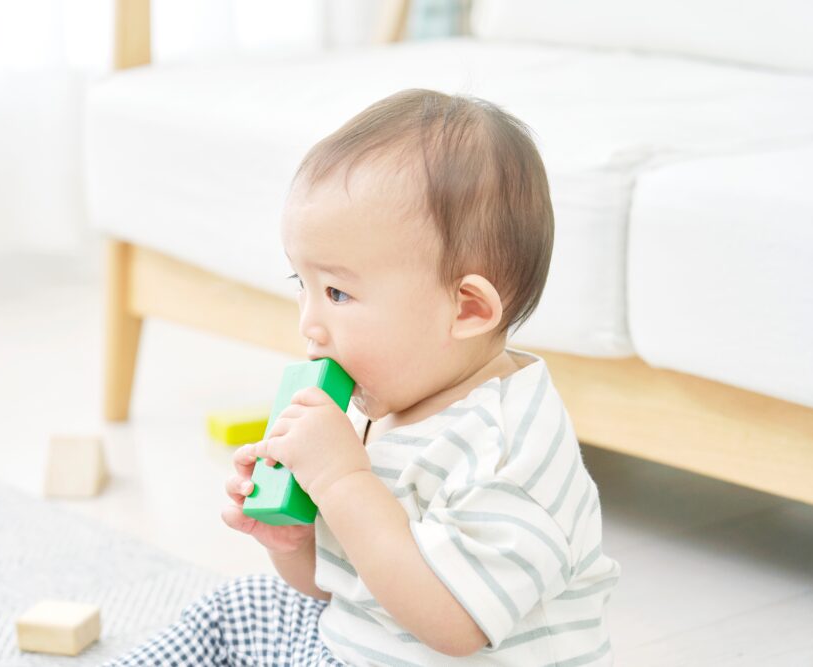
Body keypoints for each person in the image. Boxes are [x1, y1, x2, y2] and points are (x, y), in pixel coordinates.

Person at [104, 89, 620, 666]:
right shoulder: (385, 400)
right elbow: (344, 587)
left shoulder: (509, 452)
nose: (309, 323)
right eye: (302, 284)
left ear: (467, 309)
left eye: (338, 293)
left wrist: (343, 479)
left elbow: (453, 624)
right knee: (238, 609)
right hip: (356, 648)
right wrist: (294, 538)